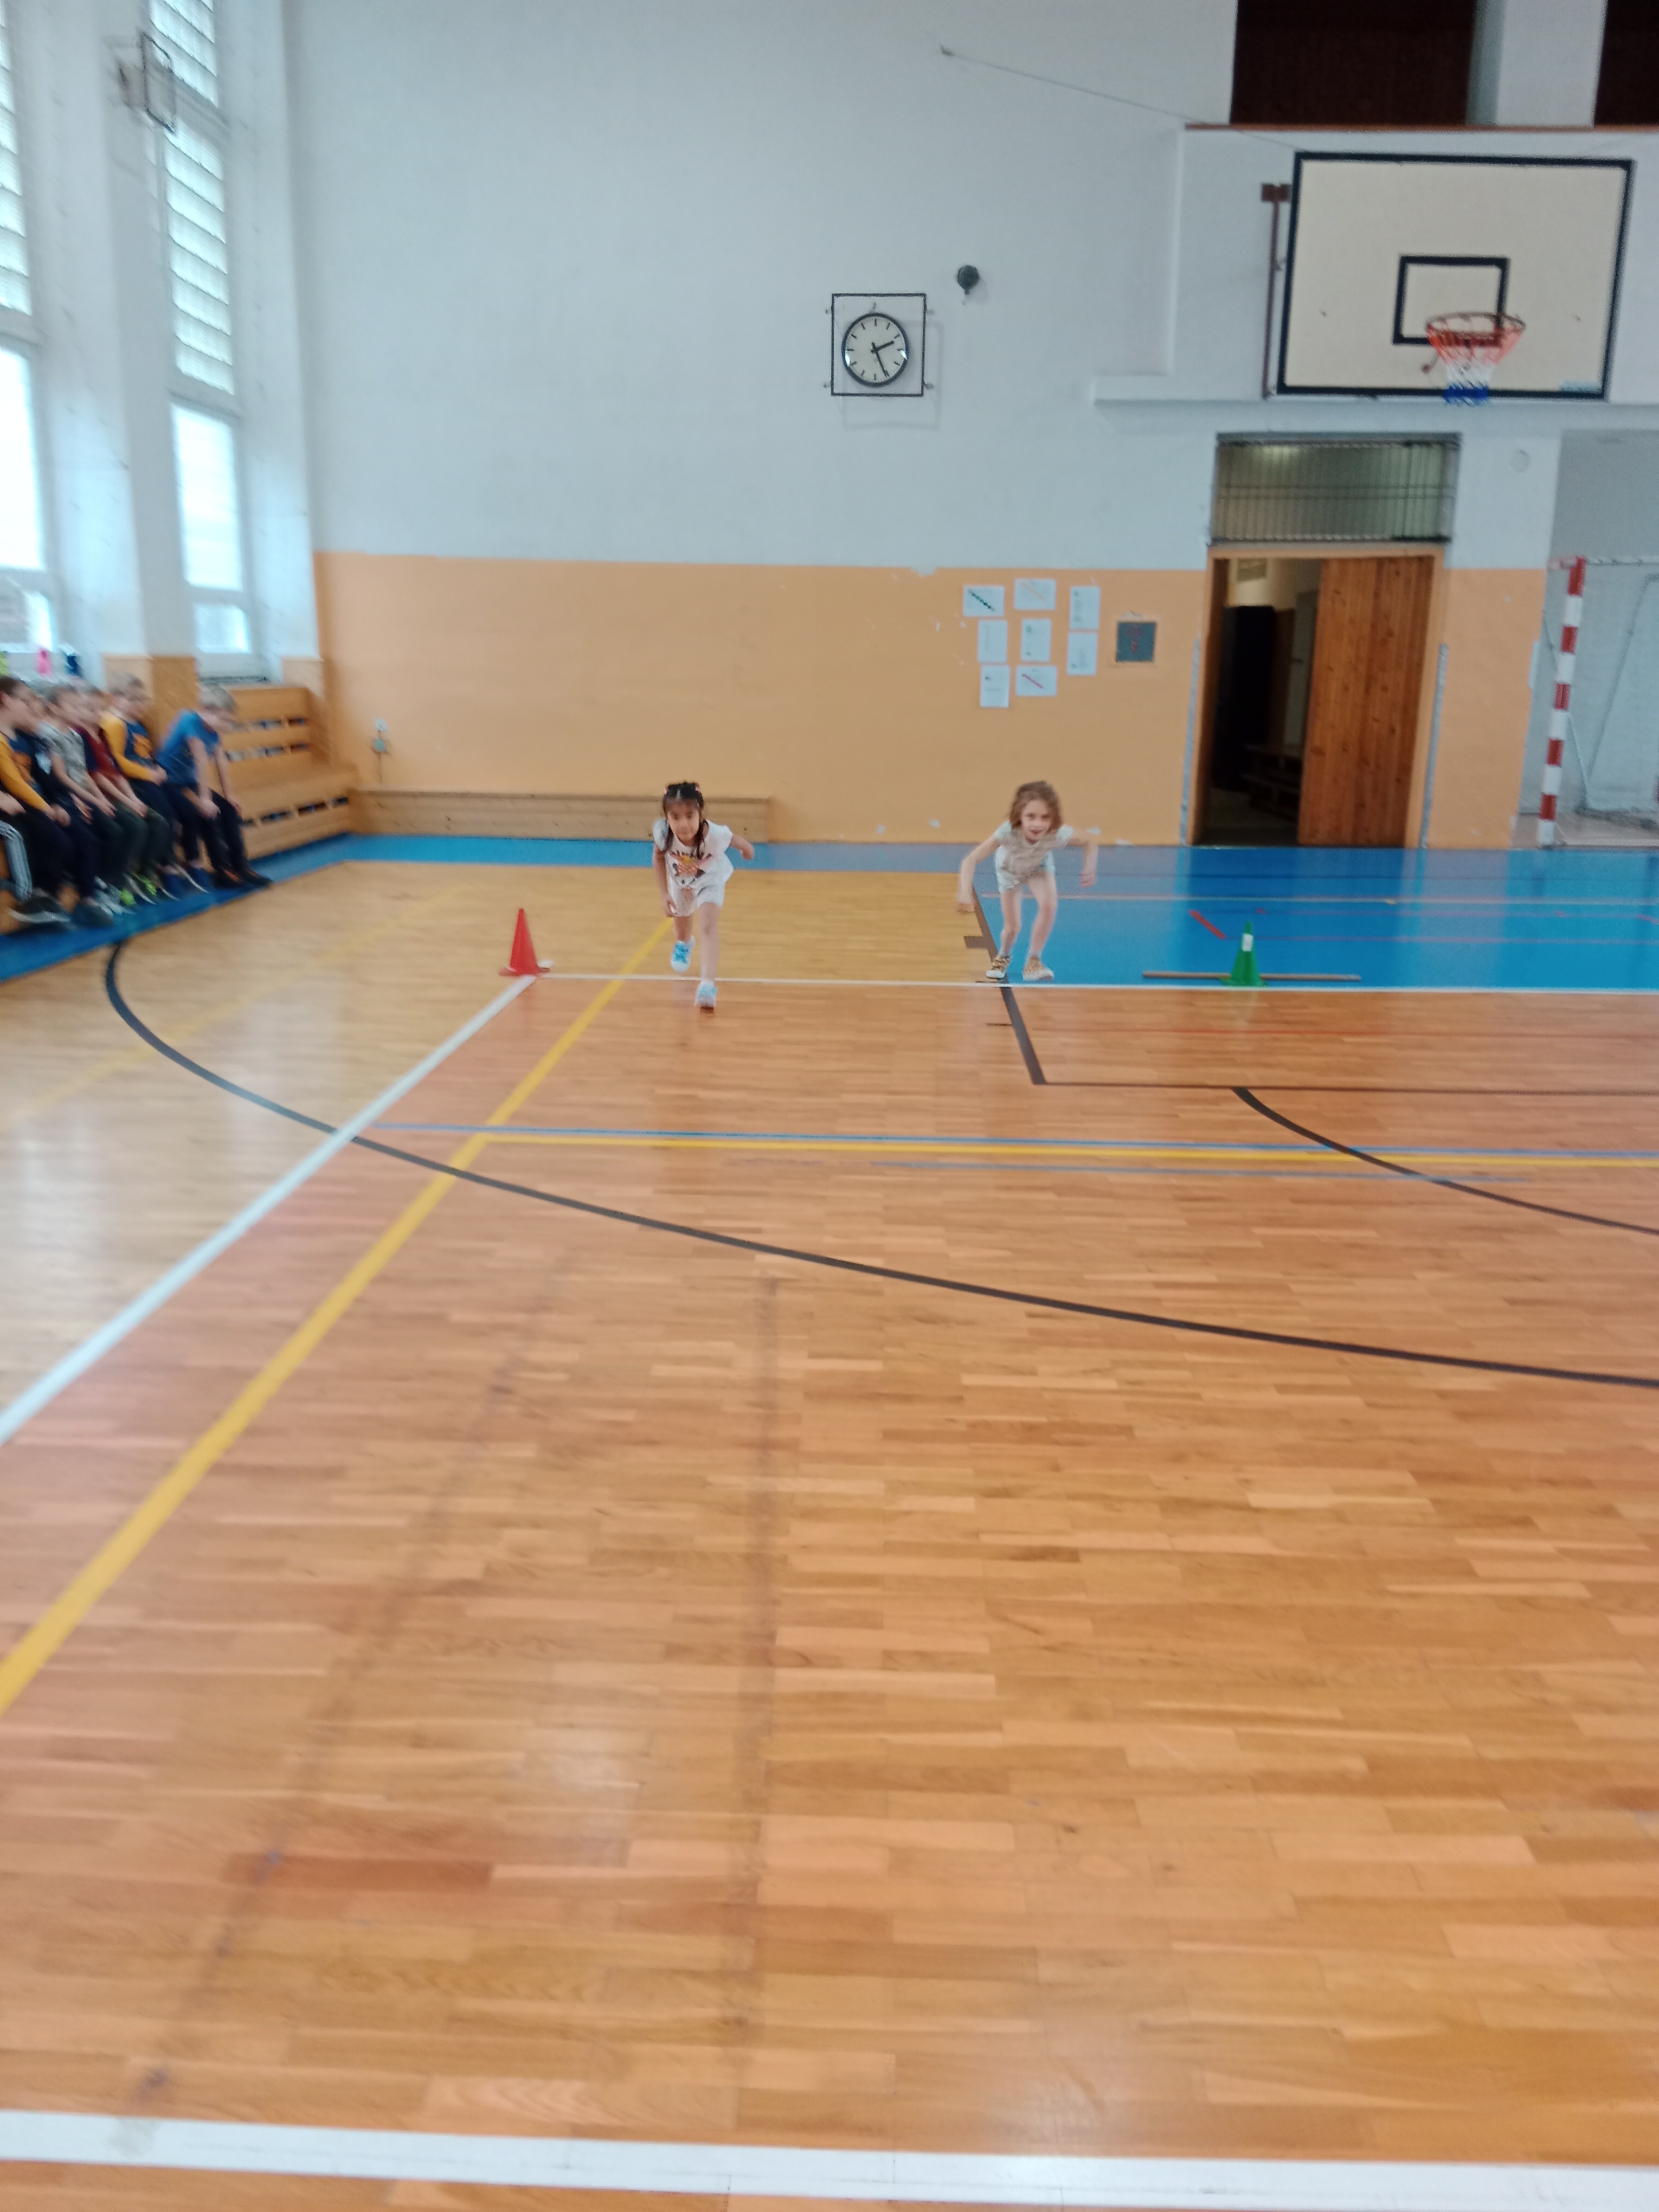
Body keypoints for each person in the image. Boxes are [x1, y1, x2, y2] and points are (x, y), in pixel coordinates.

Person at [956, 779, 1099, 983]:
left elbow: (1089, 841)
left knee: (1049, 905)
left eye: (1045, 817)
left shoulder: (1055, 834)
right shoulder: (1007, 833)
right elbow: (971, 860)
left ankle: (1034, 961)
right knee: (1013, 927)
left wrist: (1089, 867)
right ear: (1019, 815)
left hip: (1038, 867)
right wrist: (964, 892)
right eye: (1031, 817)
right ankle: (1003, 956)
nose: (1038, 824)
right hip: (1010, 870)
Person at [0, 675, 110, 924]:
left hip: (33, 803)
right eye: (25, 701)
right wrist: (47, 807)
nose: (30, 708)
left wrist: (57, 803)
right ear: (6, 700)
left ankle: (81, 895)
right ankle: (31, 896)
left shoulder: (24, 739)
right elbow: (14, 782)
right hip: (20, 806)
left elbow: (42, 777)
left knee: (78, 837)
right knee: (45, 837)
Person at [651, 779, 754, 1011]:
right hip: (681, 883)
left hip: (710, 880)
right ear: (667, 818)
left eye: (690, 816)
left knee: (708, 925)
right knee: (682, 929)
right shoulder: (663, 834)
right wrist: (664, 893)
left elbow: (734, 839)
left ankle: (708, 984)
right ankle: (684, 943)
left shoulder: (713, 834)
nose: (684, 824)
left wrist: (747, 849)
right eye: (675, 817)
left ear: (701, 814)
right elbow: (658, 857)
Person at [37, 683, 143, 908]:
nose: (78, 711)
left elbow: (84, 773)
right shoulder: (48, 736)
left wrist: (100, 799)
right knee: (104, 833)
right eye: (74, 706)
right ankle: (96, 883)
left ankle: (111, 883)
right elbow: (61, 776)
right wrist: (92, 799)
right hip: (68, 795)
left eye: (79, 706)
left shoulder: (76, 736)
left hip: (84, 794)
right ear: (55, 708)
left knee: (121, 829)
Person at [157, 685, 270, 890]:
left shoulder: (214, 730)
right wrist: (205, 799)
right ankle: (222, 870)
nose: (227, 725)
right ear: (205, 711)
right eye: (224, 720)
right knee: (209, 813)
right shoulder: (190, 722)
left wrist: (229, 796)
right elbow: (201, 761)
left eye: (230, 721)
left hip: (187, 780)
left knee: (228, 810)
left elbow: (221, 761)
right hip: (168, 780)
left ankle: (240, 866)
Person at [104, 678, 193, 895]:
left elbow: (144, 755)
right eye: (132, 700)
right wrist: (148, 774)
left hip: (150, 777)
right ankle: (166, 865)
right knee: (165, 815)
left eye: (142, 700)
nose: (139, 705)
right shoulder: (114, 724)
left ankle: (189, 861)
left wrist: (156, 768)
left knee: (187, 810)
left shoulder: (139, 725)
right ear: (116, 699)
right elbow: (117, 761)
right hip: (134, 782)